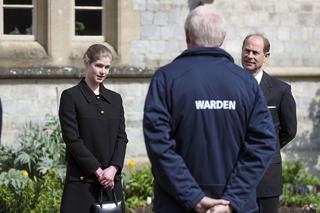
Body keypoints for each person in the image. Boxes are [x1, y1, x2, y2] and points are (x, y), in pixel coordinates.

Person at [143, 5, 276, 213]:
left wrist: (194, 197)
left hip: (177, 204)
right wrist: (231, 201)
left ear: (187, 36)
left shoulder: (166, 79)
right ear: (222, 38)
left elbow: (159, 145)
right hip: (232, 206)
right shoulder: (246, 82)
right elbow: (264, 142)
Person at [59, 44, 128, 212]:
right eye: (98, 65)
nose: (103, 71)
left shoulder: (115, 99)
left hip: (110, 184)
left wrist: (113, 169)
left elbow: (121, 137)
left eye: (107, 67)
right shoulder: (71, 97)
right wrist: (98, 171)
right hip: (82, 184)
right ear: (87, 62)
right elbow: (72, 139)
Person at [241, 33, 297, 213]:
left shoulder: (281, 90)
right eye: (246, 51)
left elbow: (289, 130)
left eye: (255, 52)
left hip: (267, 175)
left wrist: (268, 148)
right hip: (235, 177)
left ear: (266, 56)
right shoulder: (227, 86)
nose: (249, 56)